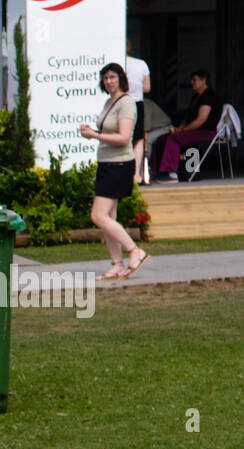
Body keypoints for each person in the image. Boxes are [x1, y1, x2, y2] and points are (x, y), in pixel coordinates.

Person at [80, 63, 150, 280]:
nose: (108, 81)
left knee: (98, 215)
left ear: (121, 78)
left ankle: (134, 251)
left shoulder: (127, 102)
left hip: (118, 165)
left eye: (112, 77)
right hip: (107, 163)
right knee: (109, 217)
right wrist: (93, 132)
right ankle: (117, 264)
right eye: (105, 78)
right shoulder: (109, 101)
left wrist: (96, 136)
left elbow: (123, 138)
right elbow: (108, 132)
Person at [151, 69, 222, 184]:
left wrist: (182, 130)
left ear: (203, 81)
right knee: (162, 139)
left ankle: (171, 173)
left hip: (206, 132)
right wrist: (179, 128)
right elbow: (187, 118)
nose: (191, 82)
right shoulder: (195, 97)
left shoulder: (209, 96)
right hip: (193, 131)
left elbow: (200, 120)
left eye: (194, 80)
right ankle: (156, 171)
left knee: (173, 139)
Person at [125, 40, 151, 184]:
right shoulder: (141, 64)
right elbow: (147, 88)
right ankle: (136, 175)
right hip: (137, 103)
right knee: (138, 138)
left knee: (124, 137)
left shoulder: (116, 63)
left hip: (122, 102)